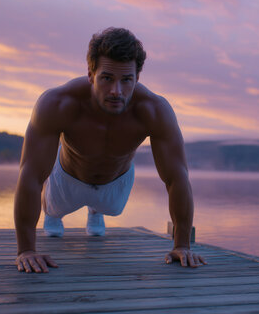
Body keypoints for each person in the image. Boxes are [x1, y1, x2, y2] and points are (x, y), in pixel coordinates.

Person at [14, 27, 207, 273]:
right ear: (90, 74)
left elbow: (176, 177)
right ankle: (54, 215)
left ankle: (96, 209)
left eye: (127, 80)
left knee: (111, 208)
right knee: (52, 215)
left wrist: (182, 245)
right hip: (66, 181)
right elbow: (30, 175)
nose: (117, 91)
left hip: (116, 184)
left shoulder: (154, 110)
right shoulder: (58, 103)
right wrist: (26, 250)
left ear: (137, 77)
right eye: (107, 78)